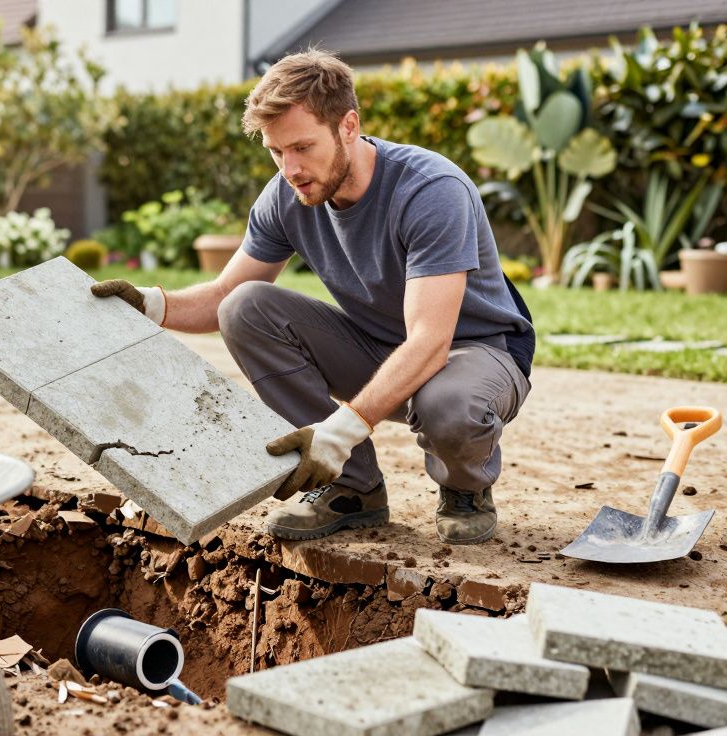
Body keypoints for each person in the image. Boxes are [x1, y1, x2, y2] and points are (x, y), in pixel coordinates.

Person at [91, 49, 534, 545]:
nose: (291, 169)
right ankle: (352, 489)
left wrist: (341, 431)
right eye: (276, 151)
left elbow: (432, 341)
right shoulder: (287, 196)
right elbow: (222, 296)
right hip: (380, 348)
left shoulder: (430, 190)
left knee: (448, 406)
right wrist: (151, 304)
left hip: (474, 354)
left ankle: (464, 488)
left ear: (348, 125)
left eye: (302, 147)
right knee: (246, 307)